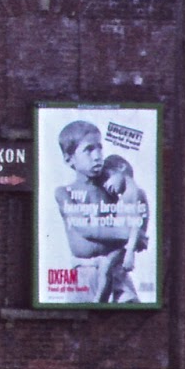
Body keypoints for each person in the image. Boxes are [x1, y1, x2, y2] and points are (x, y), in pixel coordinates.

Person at [53, 120, 150, 303]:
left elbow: (136, 198)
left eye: (100, 148)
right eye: (89, 150)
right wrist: (132, 235)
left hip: (116, 271)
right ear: (69, 159)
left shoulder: (111, 186)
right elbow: (87, 228)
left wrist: (123, 177)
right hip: (83, 276)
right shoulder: (63, 193)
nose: (97, 156)